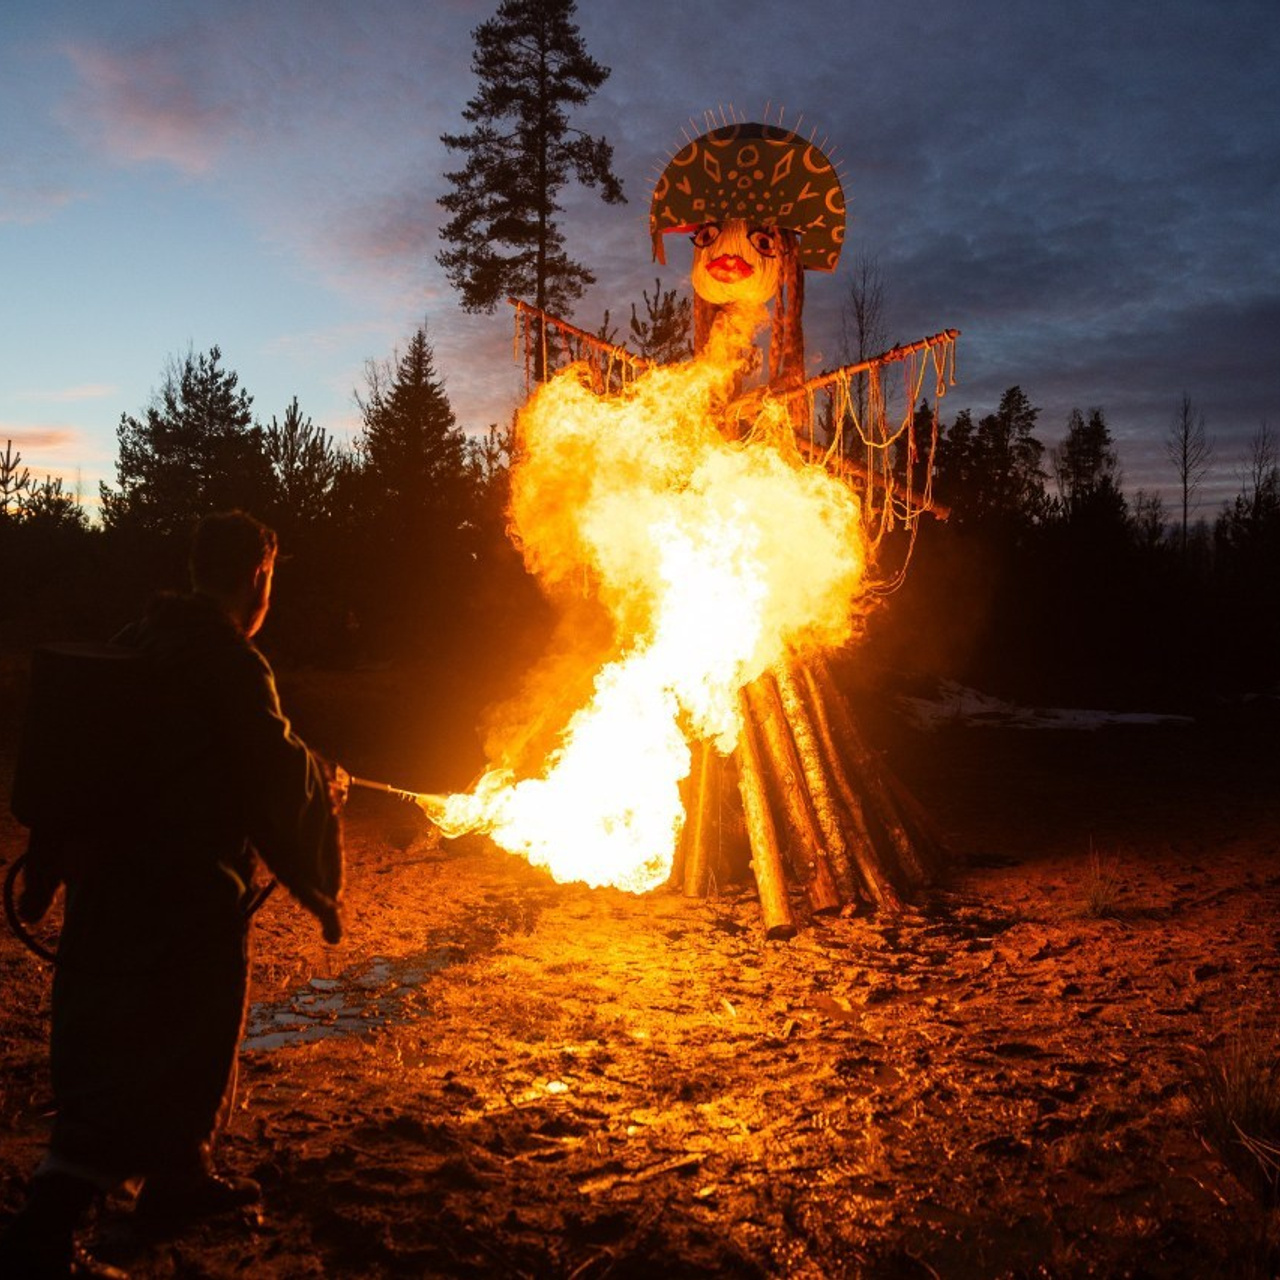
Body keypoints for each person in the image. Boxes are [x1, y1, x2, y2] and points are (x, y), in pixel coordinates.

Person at [0, 511, 348, 1279]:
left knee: (118, 1042)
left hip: (112, 893)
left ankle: (177, 1178)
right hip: (182, 898)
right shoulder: (226, 658)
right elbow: (268, 764)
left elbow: (80, 745)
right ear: (258, 577)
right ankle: (45, 1236)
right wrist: (319, 816)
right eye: (270, 581)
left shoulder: (138, 637)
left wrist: (51, 856)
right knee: (157, 1048)